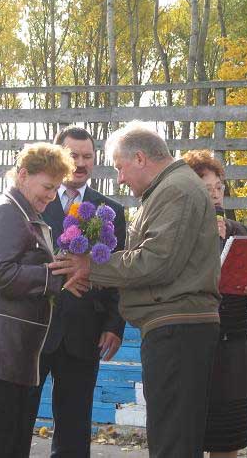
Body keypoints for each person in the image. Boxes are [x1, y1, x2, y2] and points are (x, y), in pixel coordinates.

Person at [50, 122, 221, 457]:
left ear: (140, 158)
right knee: (170, 432)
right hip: (173, 326)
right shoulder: (168, 188)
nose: (120, 179)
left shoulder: (176, 190)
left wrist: (90, 267)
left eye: (120, 167)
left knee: (172, 438)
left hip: (178, 328)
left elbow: (157, 261)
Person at [0, 143, 84, 458]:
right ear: (23, 175)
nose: (51, 196)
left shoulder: (24, 212)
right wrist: (55, 278)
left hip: (9, 350)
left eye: (56, 189)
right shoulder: (9, 212)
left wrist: (60, 273)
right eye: (47, 187)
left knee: (8, 446)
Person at [27, 126, 126, 457]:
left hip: (85, 333)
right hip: (36, 329)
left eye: (88, 157)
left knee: (74, 426)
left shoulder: (111, 211)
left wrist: (114, 324)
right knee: (17, 418)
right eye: (73, 156)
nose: (81, 163)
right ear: (58, 157)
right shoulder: (34, 202)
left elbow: (119, 274)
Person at [183, 151, 247, 458]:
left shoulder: (238, 230)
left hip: (234, 344)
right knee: (189, 429)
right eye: (207, 189)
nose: (216, 194)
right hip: (194, 342)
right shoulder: (179, 231)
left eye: (219, 187)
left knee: (228, 435)